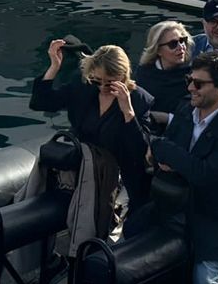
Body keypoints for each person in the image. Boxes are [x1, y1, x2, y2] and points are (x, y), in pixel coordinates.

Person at [150, 52, 218, 284]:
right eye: (190, 80)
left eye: (198, 84)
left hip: (217, 217)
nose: (190, 88)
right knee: (129, 238)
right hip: (177, 206)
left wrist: (164, 149)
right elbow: (168, 155)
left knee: (204, 280)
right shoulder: (186, 109)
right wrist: (171, 155)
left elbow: (202, 173)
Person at [31, 39, 154, 208]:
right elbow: (41, 103)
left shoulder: (139, 100)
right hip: (81, 165)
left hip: (117, 173)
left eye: (109, 83)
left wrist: (128, 112)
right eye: (97, 81)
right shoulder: (83, 86)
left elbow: (139, 151)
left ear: (123, 76)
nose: (102, 87)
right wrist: (54, 67)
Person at [135, 20, 193, 128]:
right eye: (173, 44)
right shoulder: (144, 72)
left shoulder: (193, 74)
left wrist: (164, 117)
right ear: (158, 50)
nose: (181, 47)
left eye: (182, 41)